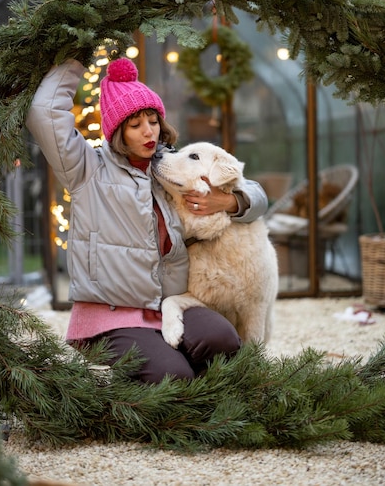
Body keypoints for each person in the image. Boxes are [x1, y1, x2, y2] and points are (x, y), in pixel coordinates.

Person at [26, 56, 268, 384]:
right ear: (118, 131)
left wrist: (228, 200)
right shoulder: (86, 169)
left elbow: (252, 190)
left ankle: (170, 366)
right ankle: (156, 373)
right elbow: (44, 113)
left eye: (153, 120)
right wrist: (76, 55)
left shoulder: (166, 167)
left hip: (170, 305)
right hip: (113, 314)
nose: (148, 132)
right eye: (135, 124)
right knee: (174, 377)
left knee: (224, 341)